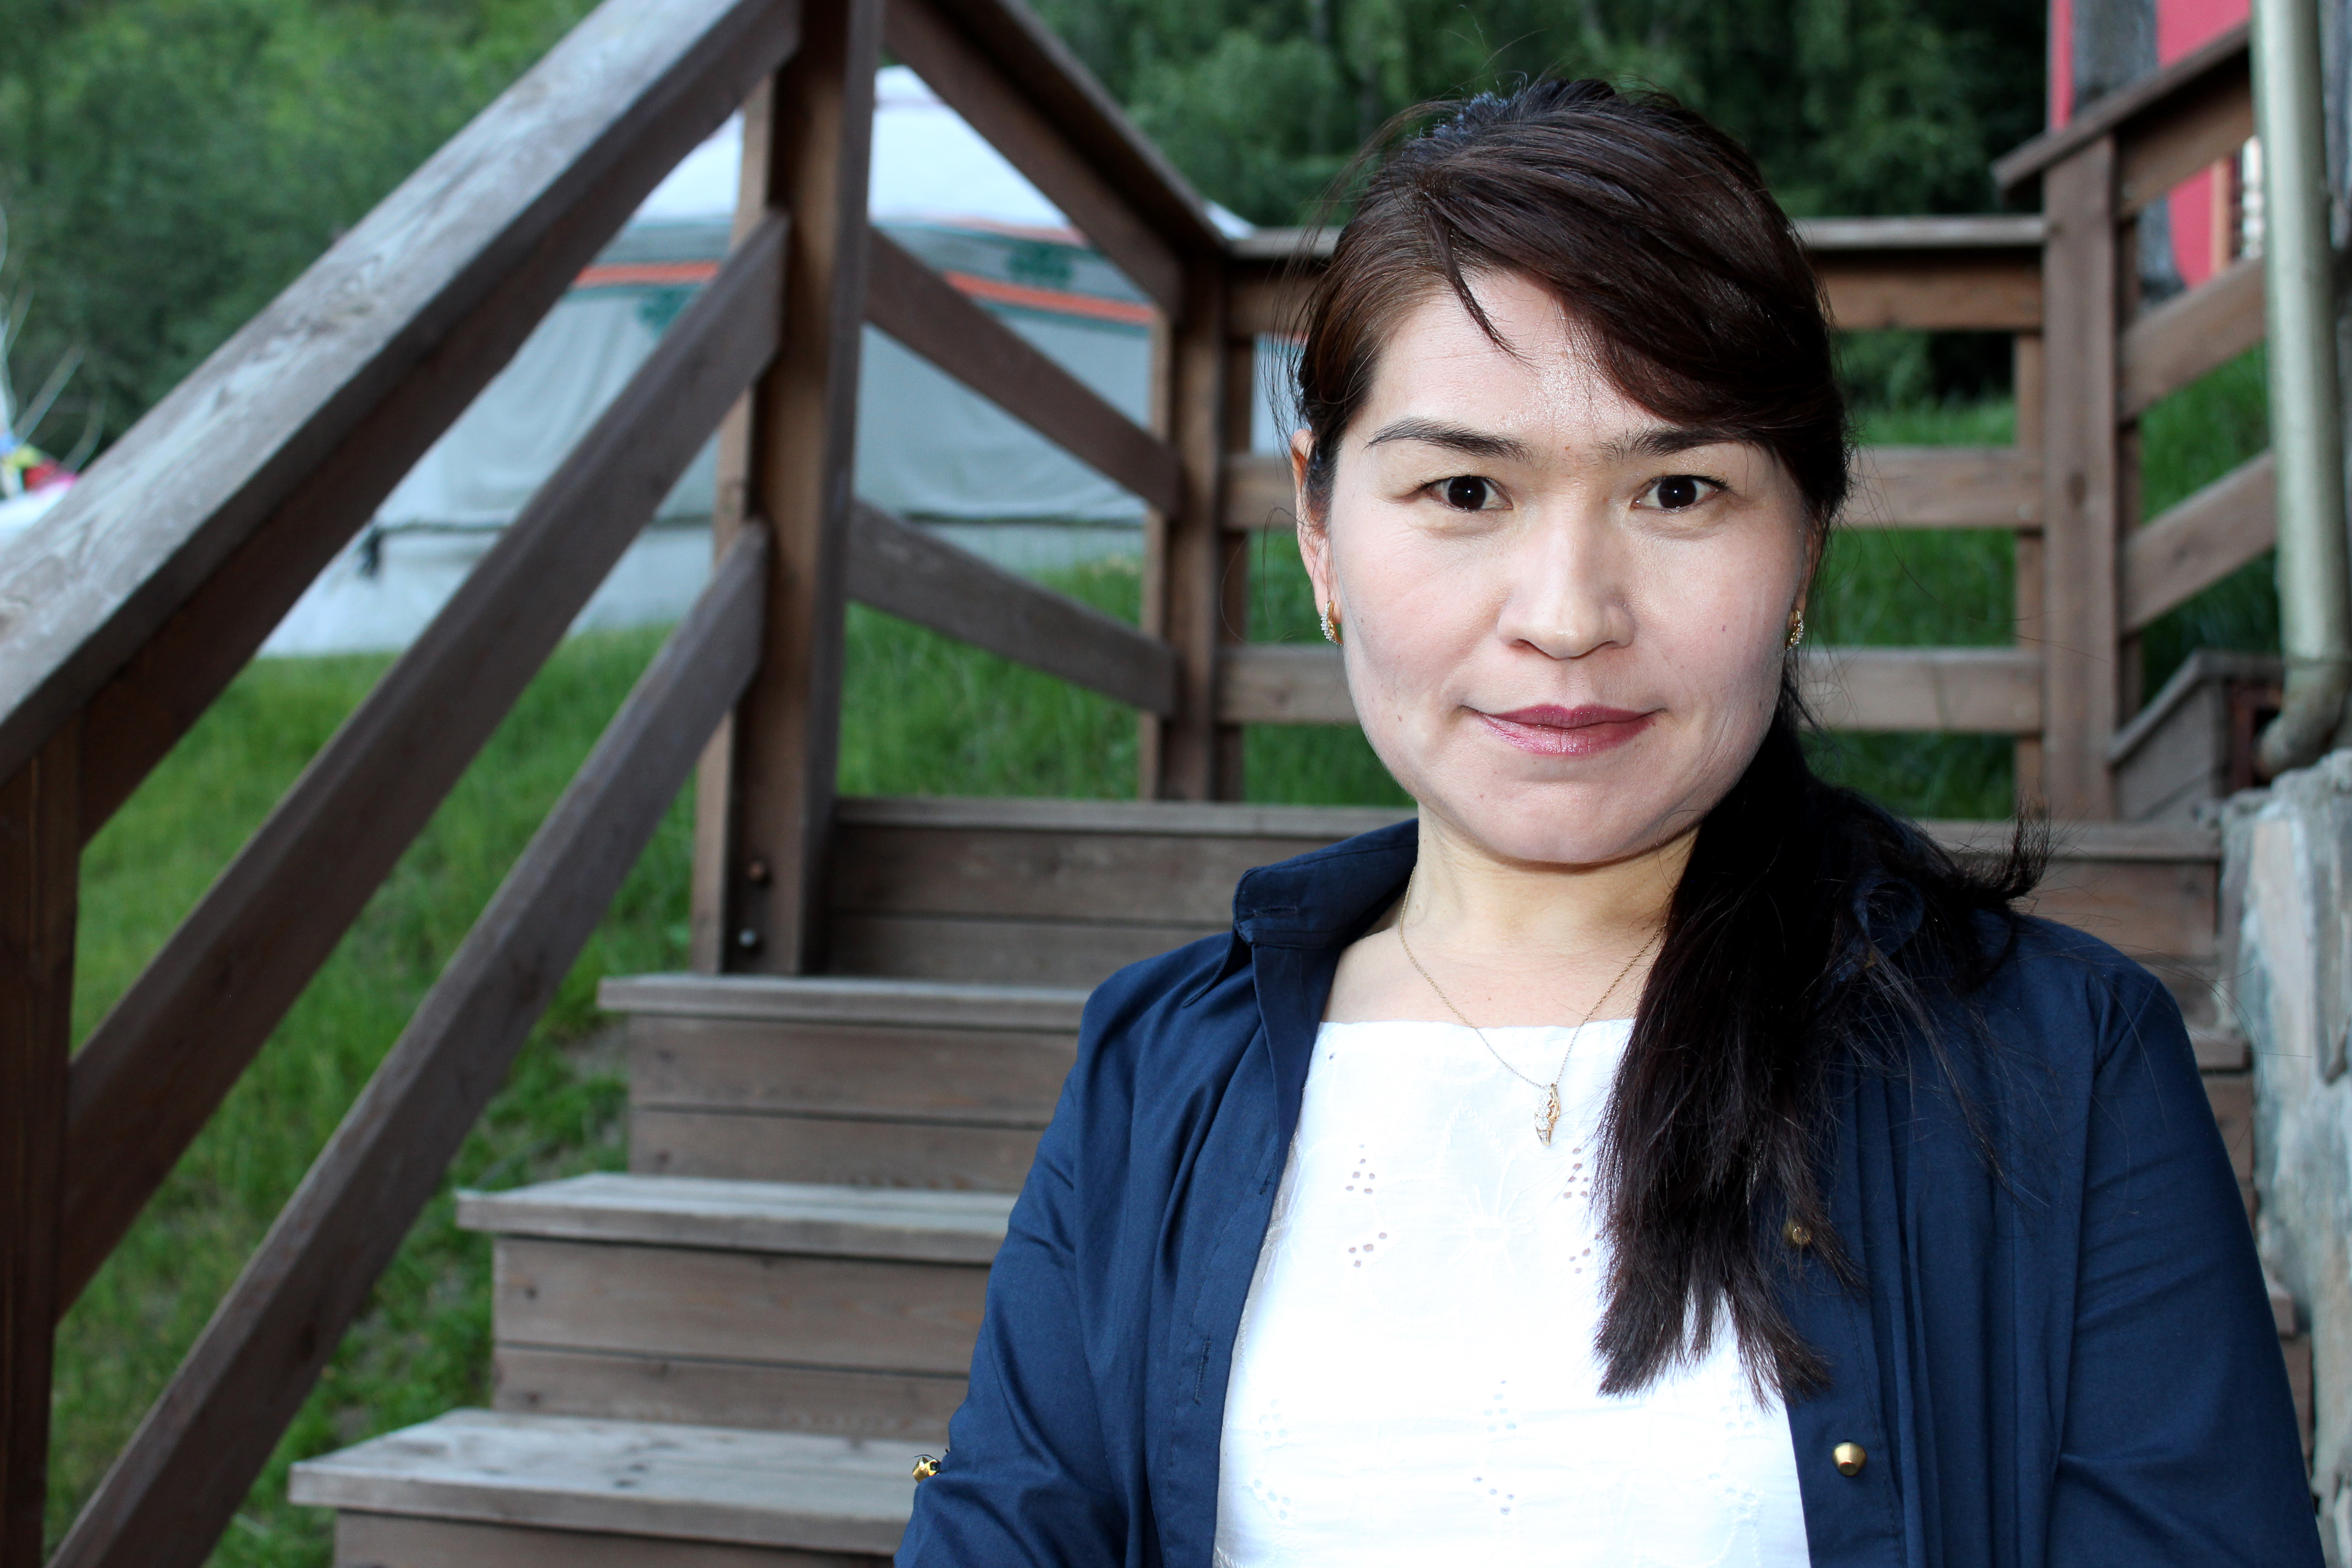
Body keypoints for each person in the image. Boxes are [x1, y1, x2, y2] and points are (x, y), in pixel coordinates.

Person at [896, 79, 2318, 1567]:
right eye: (1465, 488)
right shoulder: (1158, 1070)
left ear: (1806, 545)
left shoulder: (2056, 1068)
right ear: (1319, 528)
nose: (1568, 617)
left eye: (1679, 490)